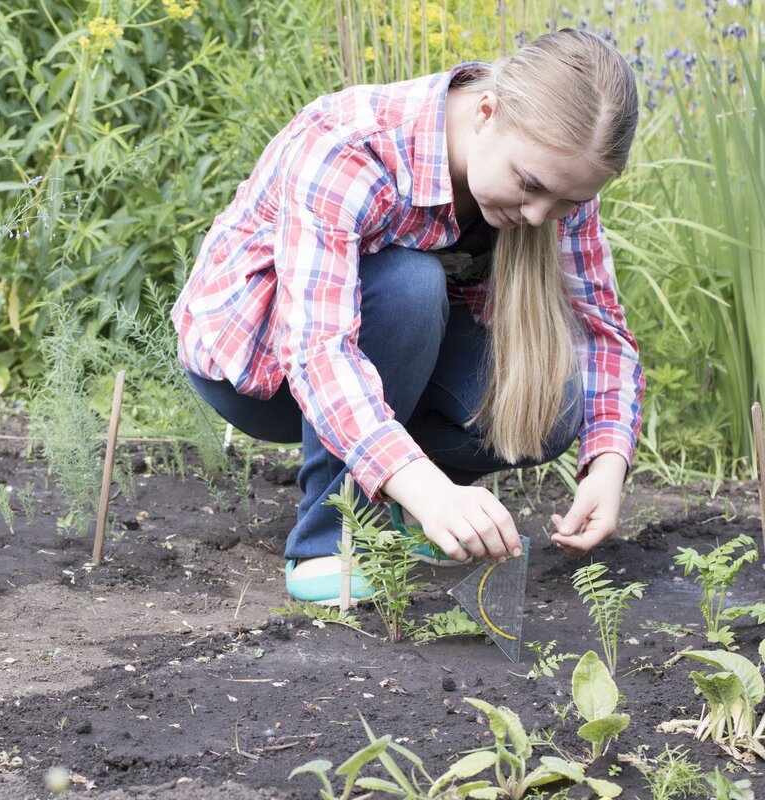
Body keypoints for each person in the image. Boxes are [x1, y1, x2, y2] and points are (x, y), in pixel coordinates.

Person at [171, 28, 644, 605]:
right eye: (531, 186)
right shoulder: (348, 145)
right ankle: (333, 539)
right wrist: (431, 488)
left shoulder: (554, 180)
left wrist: (607, 464)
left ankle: (410, 508)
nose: (542, 214)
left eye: (567, 202)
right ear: (486, 112)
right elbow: (317, 350)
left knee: (556, 399)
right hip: (265, 371)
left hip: (390, 363)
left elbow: (600, 330)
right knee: (411, 284)